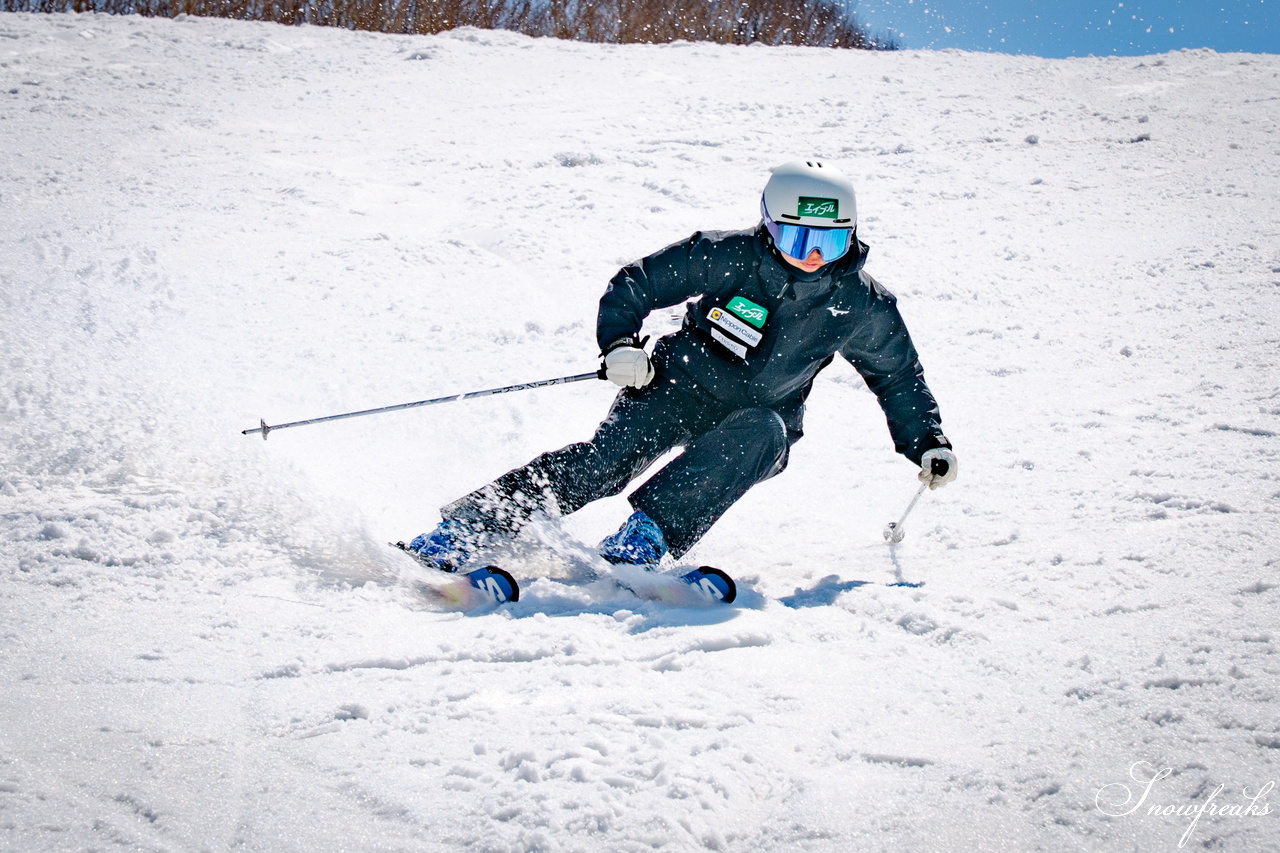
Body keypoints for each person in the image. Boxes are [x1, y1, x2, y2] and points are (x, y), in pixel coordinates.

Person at [406, 159, 956, 572]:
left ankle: (646, 537)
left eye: (829, 240)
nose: (812, 255)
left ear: (851, 235)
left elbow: (897, 375)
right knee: (603, 465)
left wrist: (927, 439)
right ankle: (465, 527)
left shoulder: (861, 304)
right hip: (674, 386)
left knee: (763, 432)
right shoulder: (728, 255)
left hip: (758, 420)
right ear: (769, 225)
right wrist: (621, 344)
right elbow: (638, 282)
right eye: (797, 236)